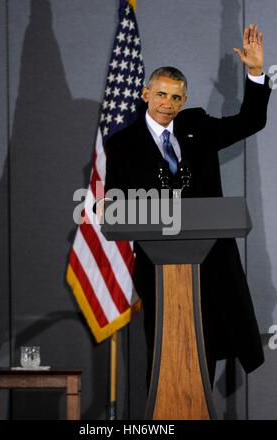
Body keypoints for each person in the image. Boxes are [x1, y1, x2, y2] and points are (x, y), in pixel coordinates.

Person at [105, 24, 271, 386]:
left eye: (177, 97)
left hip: (209, 260)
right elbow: (114, 205)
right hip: (159, 263)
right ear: (146, 93)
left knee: (206, 341)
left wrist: (256, 73)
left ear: (184, 100)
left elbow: (251, 121)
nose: (168, 104)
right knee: (167, 347)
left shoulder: (196, 124)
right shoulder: (123, 144)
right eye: (161, 94)